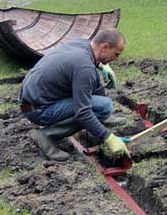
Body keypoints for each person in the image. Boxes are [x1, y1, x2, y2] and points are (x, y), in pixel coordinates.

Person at [19, 27, 131, 161]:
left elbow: (84, 65)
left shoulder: (82, 44)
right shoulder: (84, 67)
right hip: (39, 110)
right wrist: (109, 137)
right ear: (105, 47)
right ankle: (46, 135)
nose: (117, 59)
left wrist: (102, 66)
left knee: (94, 81)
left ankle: (101, 118)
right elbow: (82, 112)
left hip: (34, 98)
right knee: (103, 106)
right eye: (116, 54)